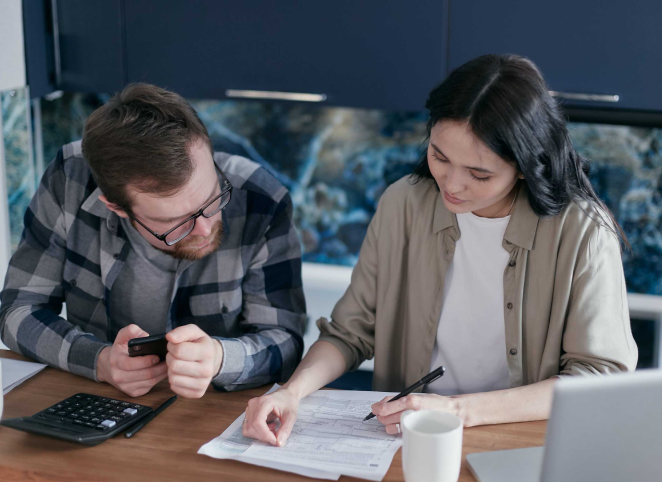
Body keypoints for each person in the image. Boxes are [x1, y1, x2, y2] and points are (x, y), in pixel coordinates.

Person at [242, 54, 638, 446]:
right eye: (440, 156)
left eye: (479, 174)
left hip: (520, 443)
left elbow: (599, 376)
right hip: (407, 437)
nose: (452, 184)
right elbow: (350, 332)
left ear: (523, 165)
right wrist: (291, 392)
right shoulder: (404, 203)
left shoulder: (582, 230)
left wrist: (458, 412)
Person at [0, 83, 306, 398]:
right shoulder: (71, 178)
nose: (204, 228)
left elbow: (286, 342)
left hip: (212, 414)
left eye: (213, 198)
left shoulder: (261, 197)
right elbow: (18, 309)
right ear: (116, 207)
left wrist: (219, 358)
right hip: (100, 400)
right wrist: (99, 360)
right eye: (174, 222)